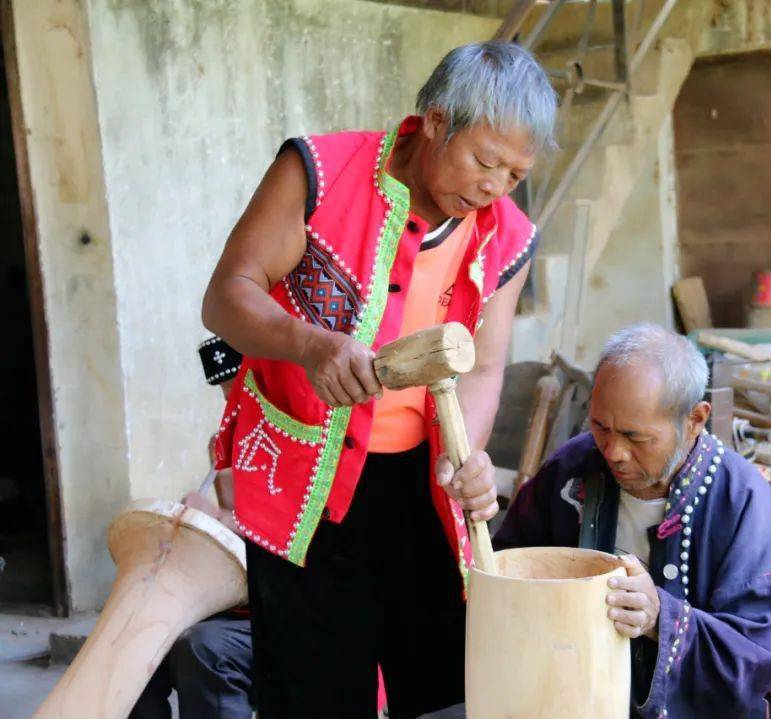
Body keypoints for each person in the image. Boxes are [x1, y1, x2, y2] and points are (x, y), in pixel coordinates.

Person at [201, 41, 556, 719]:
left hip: (420, 484)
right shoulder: (320, 173)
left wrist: (466, 455)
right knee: (312, 685)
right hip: (305, 478)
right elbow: (227, 295)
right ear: (433, 119)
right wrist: (309, 344)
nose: (493, 187)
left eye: (515, 173)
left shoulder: (506, 235)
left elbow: (482, 364)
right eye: (484, 160)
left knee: (444, 680)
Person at [495, 324, 771, 719]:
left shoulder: (741, 499)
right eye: (600, 428)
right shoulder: (571, 470)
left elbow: (760, 654)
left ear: (694, 419)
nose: (614, 452)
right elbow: (510, 570)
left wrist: (662, 618)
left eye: (635, 437)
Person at [130, 337, 252, 719]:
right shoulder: (228, 443)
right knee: (136, 638)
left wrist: (214, 519)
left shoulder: (308, 436)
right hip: (237, 595)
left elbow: (284, 533)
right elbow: (235, 527)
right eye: (226, 396)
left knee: (202, 647)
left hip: (289, 602)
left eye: (240, 394)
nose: (231, 406)